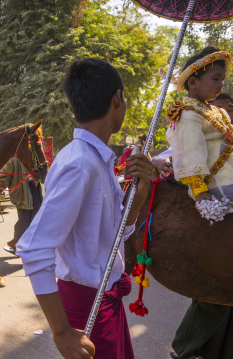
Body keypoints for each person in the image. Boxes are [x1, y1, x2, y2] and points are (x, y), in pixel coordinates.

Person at [16, 58, 153, 359]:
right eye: (125, 97)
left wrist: (138, 196)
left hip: (105, 302)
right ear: (117, 99)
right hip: (86, 308)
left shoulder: (97, 159)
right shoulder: (79, 163)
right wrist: (62, 332)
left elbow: (113, 234)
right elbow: (34, 248)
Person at [156, 93, 233, 359]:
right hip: (208, 216)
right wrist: (158, 162)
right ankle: (187, 347)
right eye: (218, 112)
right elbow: (180, 153)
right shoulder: (190, 121)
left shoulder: (226, 135)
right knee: (215, 291)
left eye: (227, 112)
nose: (223, 118)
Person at [166, 46, 233, 215]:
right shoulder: (189, 114)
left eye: (222, 79)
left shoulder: (218, 111)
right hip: (217, 180)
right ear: (193, 83)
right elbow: (192, 150)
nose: (221, 84)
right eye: (216, 78)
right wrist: (199, 190)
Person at [0, 157, 44, 256]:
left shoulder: (35, 156)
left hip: (36, 190)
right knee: (23, 221)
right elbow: (3, 176)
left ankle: (15, 243)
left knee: (35, 221)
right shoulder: (14, 159)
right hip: (23, 193)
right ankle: (17, 244)